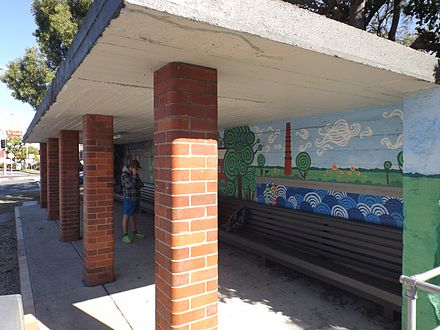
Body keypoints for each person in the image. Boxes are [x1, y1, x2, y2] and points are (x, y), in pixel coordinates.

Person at [121, 160, 144, 243]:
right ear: (132, 167)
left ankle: (135, 232)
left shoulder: (135, 174)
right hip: (129, 198)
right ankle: (125, 235)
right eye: (136, 169)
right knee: (126, 215)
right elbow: (131, 185)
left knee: (134, 215)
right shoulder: (124, 175)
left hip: (136, 197)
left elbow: (141, 184)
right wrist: (134, 176)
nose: (137, 171)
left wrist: (135, 178)